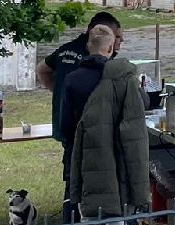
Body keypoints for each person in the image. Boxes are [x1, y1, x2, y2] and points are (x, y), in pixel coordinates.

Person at [67, 24, 150, 225]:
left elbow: (66, 123)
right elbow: (139, 111)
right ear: (111, 48)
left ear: (88, 46)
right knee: (117, 216)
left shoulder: (73, 79)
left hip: (83, 156)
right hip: (115, 155)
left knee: (87, 217)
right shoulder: (121, 77)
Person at [38, 11, 122, 151]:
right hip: (86, 130)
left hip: (64, 124)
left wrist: (61, 92)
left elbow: (42, 70)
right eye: (115, 36)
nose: (119, 41)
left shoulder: (65, 49)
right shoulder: (95, 59)